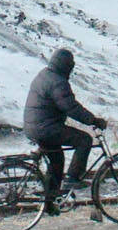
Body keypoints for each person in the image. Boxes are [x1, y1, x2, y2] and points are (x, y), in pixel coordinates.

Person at [23, 47, 107, 213]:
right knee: (84, 140)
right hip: (45, 128)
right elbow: (71, 108)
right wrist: (93, 120)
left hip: (34, 126)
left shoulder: (45, 74)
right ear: (66, 66)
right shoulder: (58, 82)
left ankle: (50, 203)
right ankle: (73, 179)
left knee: (56, 161)